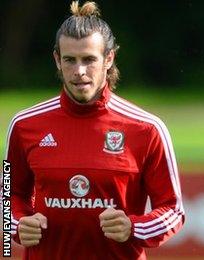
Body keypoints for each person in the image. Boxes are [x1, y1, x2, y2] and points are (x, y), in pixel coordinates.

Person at [6, 1, 184, 259]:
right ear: (57, 60)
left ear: (108, 59)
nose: (79, 71)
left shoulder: (147, 129)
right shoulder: (24, 125)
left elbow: (174, 210)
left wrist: (134, 227)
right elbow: (8, 193)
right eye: (70, 60)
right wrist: (16, 224)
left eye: (89, 59)